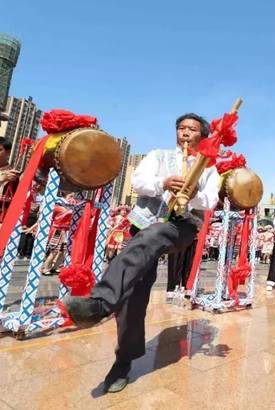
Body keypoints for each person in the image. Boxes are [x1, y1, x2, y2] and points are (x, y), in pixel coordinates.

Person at [63, 112, 219, 393]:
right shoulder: (157, 156)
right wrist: (162, 183)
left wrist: (193, 193)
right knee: (134, 296)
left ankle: (100, 303)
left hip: (179, 227)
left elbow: (210, 201)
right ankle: (123, 360)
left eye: (192, 129)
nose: (185, 133)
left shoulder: (208, 168)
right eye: (181, 128)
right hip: (143, 222)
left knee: (158, 232)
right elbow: (138, 182)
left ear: (202, 136)